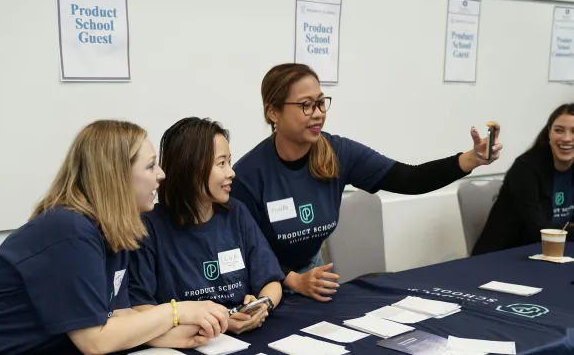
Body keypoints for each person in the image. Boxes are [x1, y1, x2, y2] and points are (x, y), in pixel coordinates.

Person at [0, 120, 229, 355]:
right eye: (151, 166)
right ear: (116, 174)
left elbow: (118, 316)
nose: (161, 175)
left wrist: (170, 334)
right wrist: (177, 311)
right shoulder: (69, 230)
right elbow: (94, 341)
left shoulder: (115, 228)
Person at [230, 63, 503, 302]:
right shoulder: (249, 176)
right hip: (266, 287)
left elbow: (410, 179)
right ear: (273, 113)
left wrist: (470, 159)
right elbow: (248, 253)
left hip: (313, 279)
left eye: (321, 102)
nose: (317, 113)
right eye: (306, 105)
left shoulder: (339, 153)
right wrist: (293, 281)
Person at [128, 117, 284, 335]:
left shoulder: (236, 213)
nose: (231, 173)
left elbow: (272, 282)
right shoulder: (150, 226)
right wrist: (219, 322)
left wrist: (261, 305)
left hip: (246, 335)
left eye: (229, 162)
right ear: (190, 170)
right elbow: (140, 308)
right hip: (185, 341)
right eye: (221, 164)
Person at [472, 104, 574, 255]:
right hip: (508, 257)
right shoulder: (525, 169)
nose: (566, 138)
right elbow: (538, 230)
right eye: (558, 130)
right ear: (549, 134)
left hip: (557, 253)